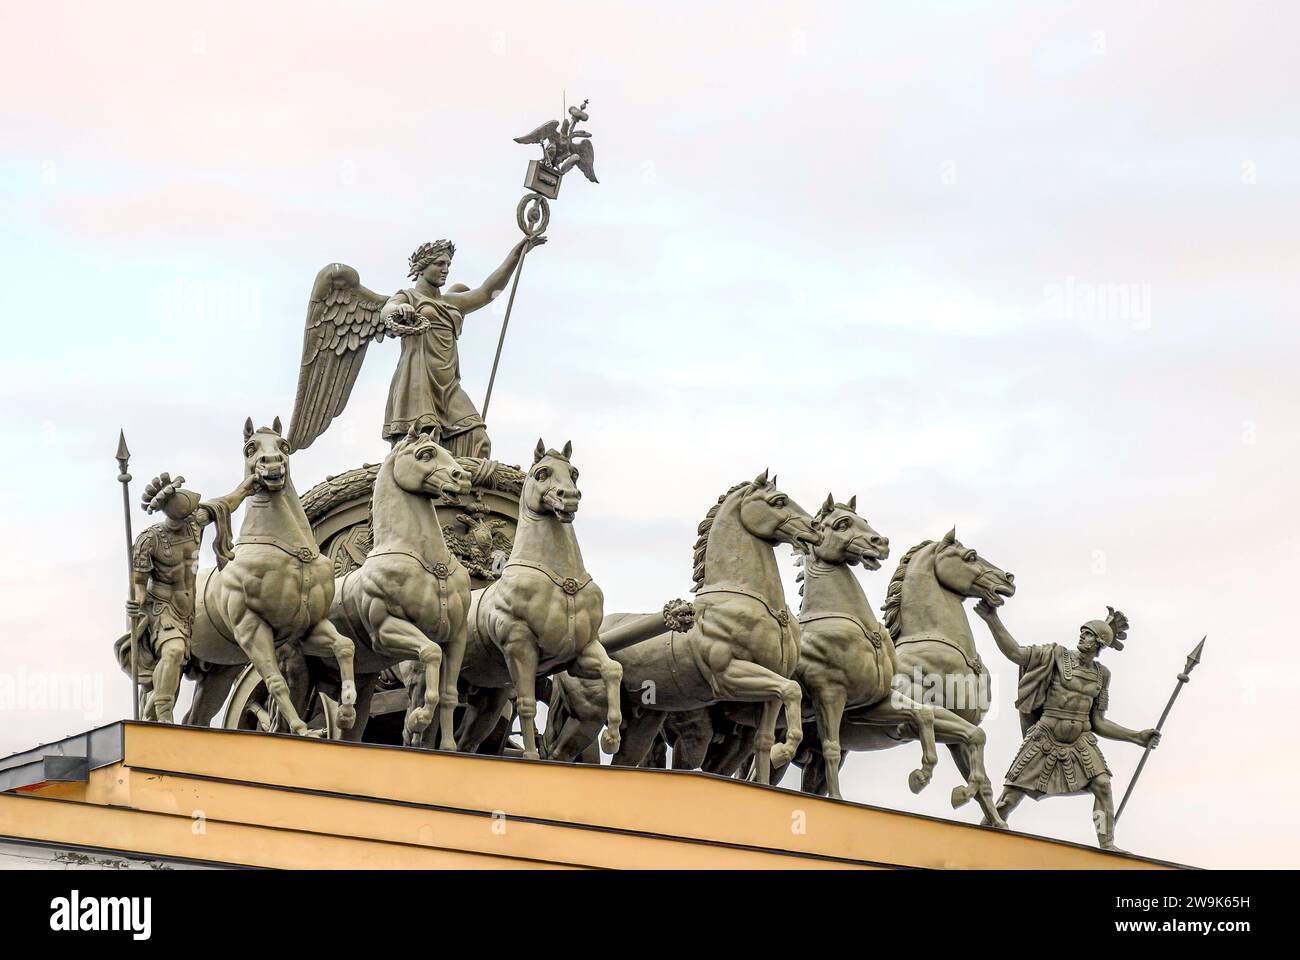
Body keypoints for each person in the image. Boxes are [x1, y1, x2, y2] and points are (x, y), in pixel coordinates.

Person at [975, 601, 1159, 849]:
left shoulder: (1102, 675)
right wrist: (992, 618)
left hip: (1080, 740)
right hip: (1045, 735)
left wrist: (1136, 736)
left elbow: (1098, 723)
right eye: (1082, 633)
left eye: (1089, 636)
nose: (1082, 638)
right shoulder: (1055, 655)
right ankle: (981, 835)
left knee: (1103, 785)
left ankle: (1107, 844)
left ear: (1100, 644)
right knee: (1010, 797)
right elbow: (1016, 653)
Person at [380, 234, 546, 457]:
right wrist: (400, 310)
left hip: (448, 384)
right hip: (419, 381)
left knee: (479, 439)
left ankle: (464, 490)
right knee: (422, 448)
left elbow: (488, 292)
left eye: (448, 264)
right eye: (439, 263)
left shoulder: (452, 302)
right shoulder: (408, 297)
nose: (445, 269)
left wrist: (517, 253)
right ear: (421, 267)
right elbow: (387, 310)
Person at [121, 472, 257, 723]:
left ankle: (153, 712)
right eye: (185, 515)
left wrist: (246, 487)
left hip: (188, 610)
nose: (190, 518)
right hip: (162, 608)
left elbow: (225, 503)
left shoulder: (194, 523)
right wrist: (136, 603)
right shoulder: (148, 540)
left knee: (177, 661)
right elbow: (139, 583)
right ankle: (164, 715)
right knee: (173, 652)